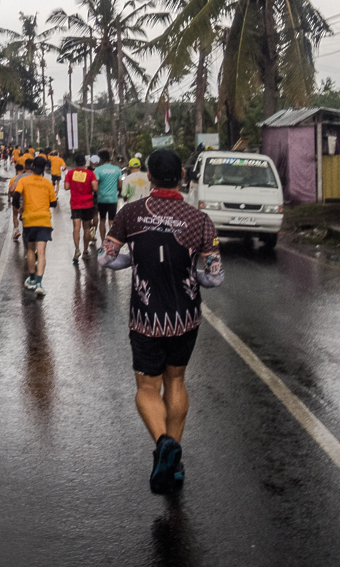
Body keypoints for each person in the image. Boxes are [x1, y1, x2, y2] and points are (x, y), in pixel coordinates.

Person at [98, 148, 223, 494]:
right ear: (182, 176)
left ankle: (164, 444)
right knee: (177, 382)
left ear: (149, 176)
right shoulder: (200, 220)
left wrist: (133, 260)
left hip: (146, 318)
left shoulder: (131, 213)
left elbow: (106, 260)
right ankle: (175, 463)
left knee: (147, 389)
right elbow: (214, 278)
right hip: (186, 316)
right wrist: (192, 272)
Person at [15, 156, 58, 296]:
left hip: (29, 220)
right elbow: (54, 203)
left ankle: (32, 279)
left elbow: (15, 196)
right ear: (44, 168)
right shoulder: (47, 183)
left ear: (32, 166)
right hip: (44, 221)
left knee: (30, 249)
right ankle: (39, 283)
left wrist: (19, 208)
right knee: (42, 252)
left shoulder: (23, 180)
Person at [63, 153, 99, 262]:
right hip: (88, 204)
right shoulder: (90, 174)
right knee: (86, 228)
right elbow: (95, 188)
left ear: (75, 163)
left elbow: (66, 187)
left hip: (75, 204)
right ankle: (85, 251)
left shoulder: (70, 173)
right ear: (85, 162)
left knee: (76, 228)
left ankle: (77, 249)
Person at [94, 150, 124, 238]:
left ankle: (103, 242)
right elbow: (120, 185)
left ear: (100, 158)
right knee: (112, 221)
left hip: (101, 199)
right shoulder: (117, 169)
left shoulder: (98, 170)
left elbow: (95, 185)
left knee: (102, 220)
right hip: (113, 199)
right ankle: (111, 243)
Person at [9, 158, 31, 242]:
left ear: (25, 167)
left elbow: (11, 189)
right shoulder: (37, 177)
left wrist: (12, 197)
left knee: (15, 215)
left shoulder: (18, 178)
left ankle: (16, 231)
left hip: (18, 201)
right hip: (30, 203)